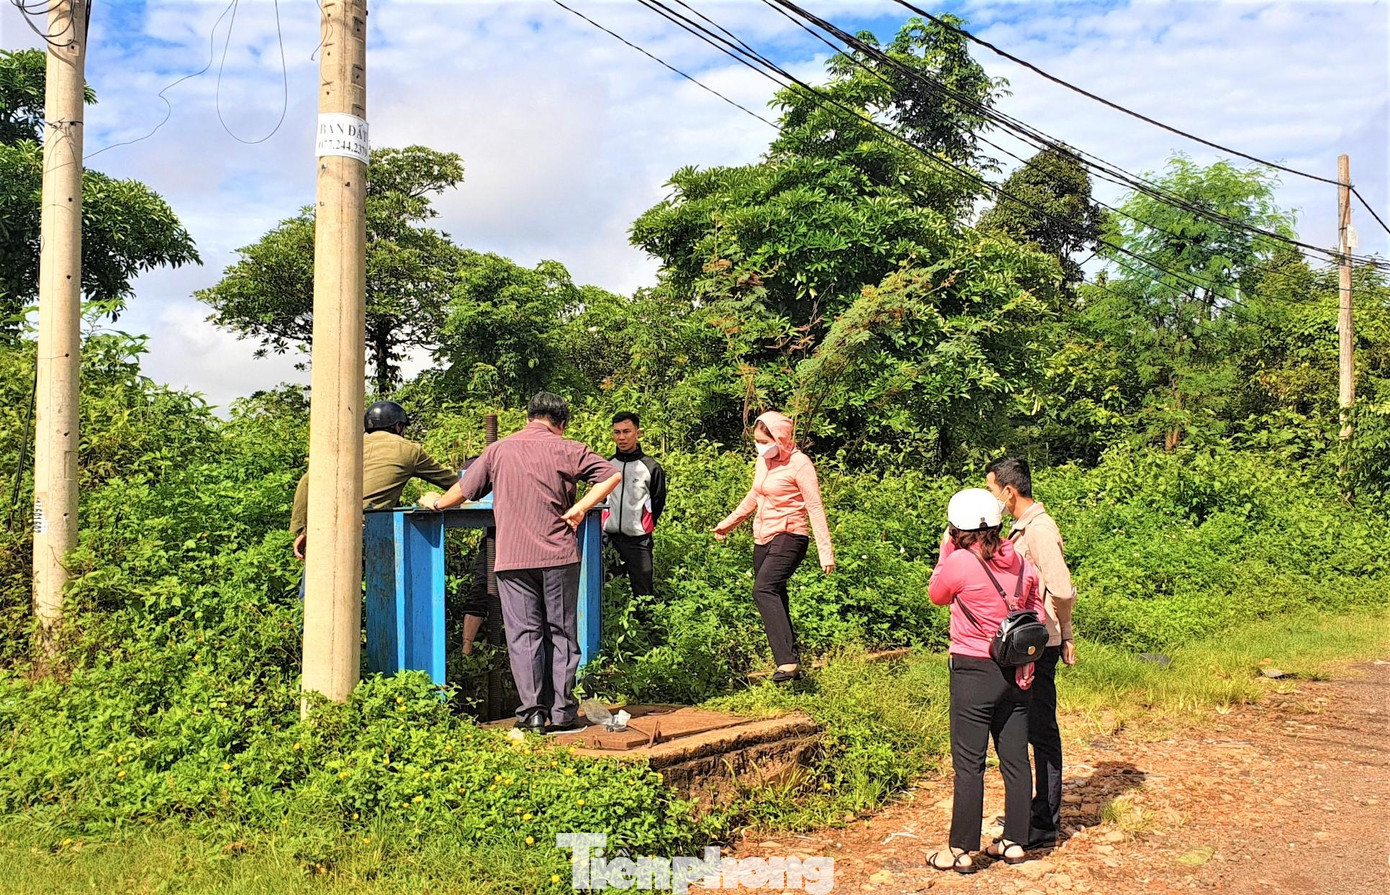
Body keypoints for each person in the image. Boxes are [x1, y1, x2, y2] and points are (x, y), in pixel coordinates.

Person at [419, 393, 621, 734]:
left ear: (529, 417)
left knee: (524, 636)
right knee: (561, 632)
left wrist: (436, 503)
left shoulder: (498, 450)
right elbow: (612, 475)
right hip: (558, 555)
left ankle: (532, 715)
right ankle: (563, 714)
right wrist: (581, 507)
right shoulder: (570, 448)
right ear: (562, 423)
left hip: (511, 558)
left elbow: (464, 491)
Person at [289, 401, 488, 651]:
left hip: (325, 526)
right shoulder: (409, 450)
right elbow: (457, 484)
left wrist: (303, 530)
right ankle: (387, 654)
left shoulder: (346, 445)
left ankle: (301, 654)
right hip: (368, 530)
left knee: (313, 600)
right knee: (385, 596)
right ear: (398, 427)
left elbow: (306, 483)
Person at [927, 488, 1044, 874]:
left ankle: (960, 849)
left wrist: (946, 551)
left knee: (969, 763)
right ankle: (1014, 840)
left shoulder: (959, 561)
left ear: (955, 528)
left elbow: (936, 594)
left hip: (973, 672)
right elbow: (1036, 614)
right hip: (1016, 672)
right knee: (1014, 758)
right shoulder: (1022, 563)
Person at [986, 456, 1077, 849]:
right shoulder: (1020, 527)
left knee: (1041, 730)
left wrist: (1063, 632)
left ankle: (1045, 819)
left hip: (1041, 644)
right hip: (1029, 642)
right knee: (1023, 726)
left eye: (991, 489)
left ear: (1009, 491)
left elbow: (1062, 588)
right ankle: (1032, 810)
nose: (991, 498)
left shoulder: (1039, 530)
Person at [711, 411, 834, 683]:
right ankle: (792, 662)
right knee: (776, 594)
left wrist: (825, 552)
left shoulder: (800, 464)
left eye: (763, 441)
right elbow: (755, 494)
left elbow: (814, 505)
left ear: (779, 439)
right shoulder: (763, 461)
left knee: (763, 589)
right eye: (756, 441)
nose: (759, 446)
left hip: (791, 534)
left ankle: (787, 663)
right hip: (763, 536)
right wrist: (728, 523)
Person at [604, 411, 667, 597]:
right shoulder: (607, 465)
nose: (621, 437)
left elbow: (658, 501)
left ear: (638, 433)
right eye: (617, 432)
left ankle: (646, 625)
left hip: (638, 540)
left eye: (627, 431)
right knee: (607, 586)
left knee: (644, 591)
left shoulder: (651, 467)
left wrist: (644, 523)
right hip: (609, 538)